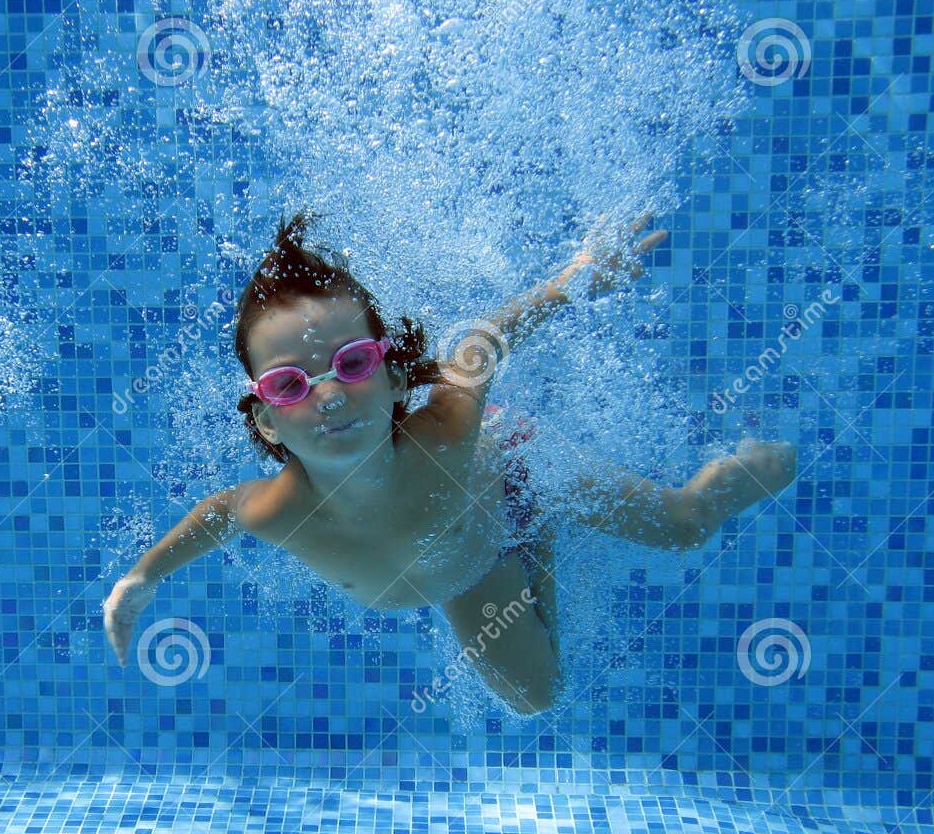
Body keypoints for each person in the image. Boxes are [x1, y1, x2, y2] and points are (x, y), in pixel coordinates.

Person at [103, 210, 797, 715]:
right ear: (265, 419)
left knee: (680, 525)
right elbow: (217, 514)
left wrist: (574, 279)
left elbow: (482, 346)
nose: (329, 395)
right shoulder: (277, 508)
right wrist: (141, 578)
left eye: (352, 364)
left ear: (398, 378)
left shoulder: (442, 432)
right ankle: (537, 540)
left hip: (511, 471)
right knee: (536, 698)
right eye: (289, 383)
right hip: (469, 558)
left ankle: (752, 468)